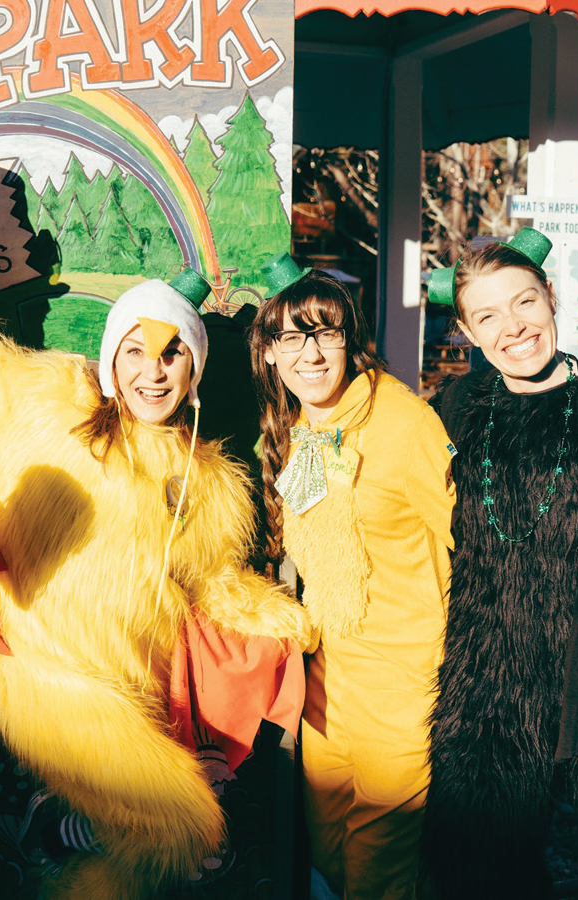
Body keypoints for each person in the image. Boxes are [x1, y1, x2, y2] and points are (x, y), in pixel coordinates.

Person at [0, 273, 311, 899]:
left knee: (159, 839)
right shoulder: (50, 401)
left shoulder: (210, 481)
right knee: (180, 829)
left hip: (135, 691)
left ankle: (60, 831)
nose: (153, 372)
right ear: (110, 358)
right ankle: (63, 836)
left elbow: (215, 585)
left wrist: (293, 622)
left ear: (194, 365)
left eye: (172, 353)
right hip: (49, 680)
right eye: (135, 351)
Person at [422, 227, 578, 900]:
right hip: (488, 703)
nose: (514, 327)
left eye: (524, 302)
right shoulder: (453, 411)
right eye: (488, 316)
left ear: (550, 295)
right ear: (466, 331)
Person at [248, 254, 456, 900]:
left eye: (326, 334)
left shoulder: (405, 421)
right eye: (292, 337)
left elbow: (465, 541)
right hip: (327, 678)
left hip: (402, 679)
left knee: (379, 860)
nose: (310, 354)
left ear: (350, 340)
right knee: (329, 847)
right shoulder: (294, 428)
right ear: (269, 354)